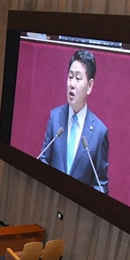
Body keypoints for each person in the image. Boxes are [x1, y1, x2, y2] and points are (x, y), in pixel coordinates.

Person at [39, 49, 109, 194]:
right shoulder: (55, 117)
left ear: (89, 86)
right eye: (70, 77)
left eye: (78, 78)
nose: (72, 84)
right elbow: (43, 160)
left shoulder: (99, 132)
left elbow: (100, 184)